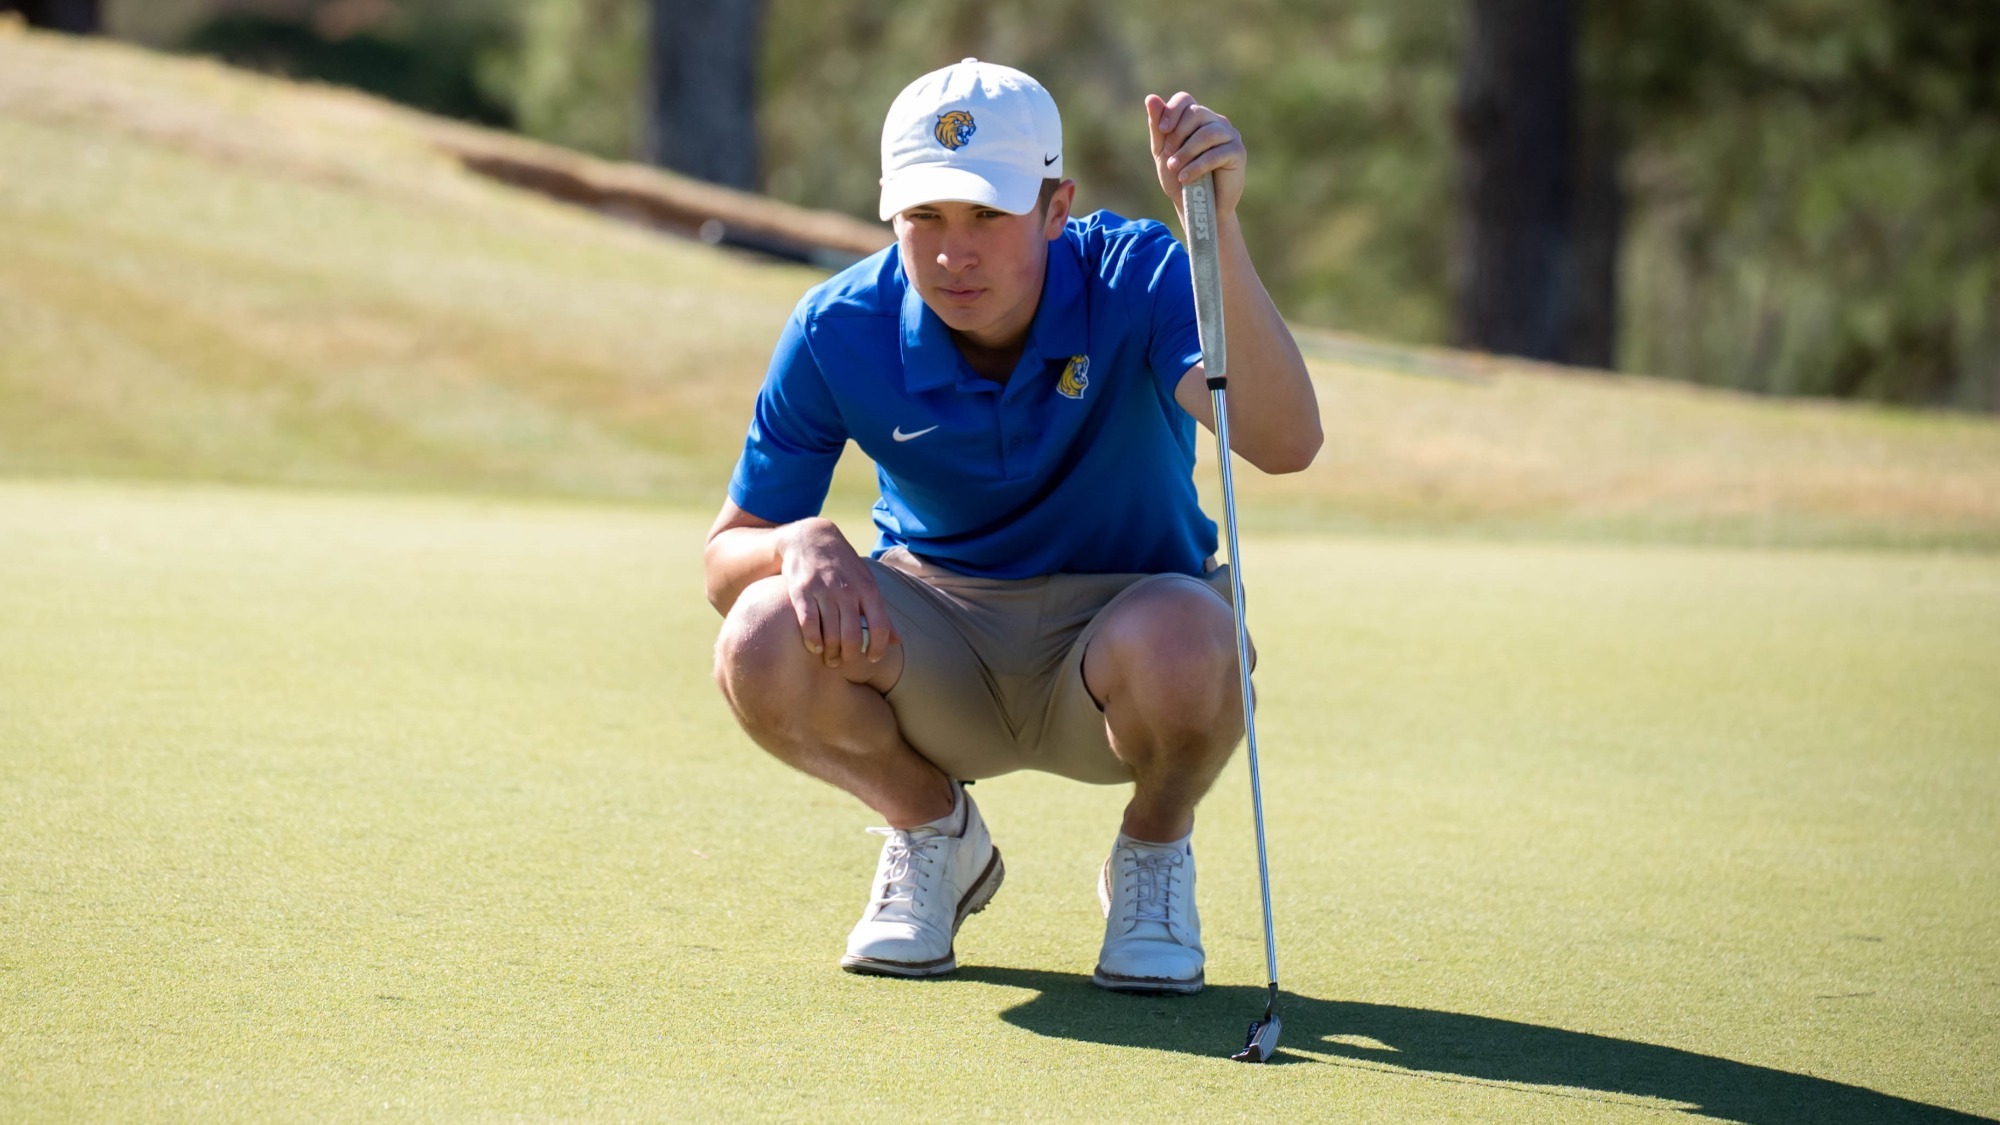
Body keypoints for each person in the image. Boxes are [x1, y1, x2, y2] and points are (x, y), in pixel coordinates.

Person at [704, 59, 1318, 994]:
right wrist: (796, 540)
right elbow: (723, 556)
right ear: (889, 214)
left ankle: (1154, 851)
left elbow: (1283, 442)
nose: (956, 252)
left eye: (988, 216)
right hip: (940, 641)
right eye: (926, 218)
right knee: (758, 633)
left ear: (1056, 206)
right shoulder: (839, 325)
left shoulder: (1140, 272)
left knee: (1197, 638)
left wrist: (1216, 229)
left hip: (1126, 636)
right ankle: (932, 830)